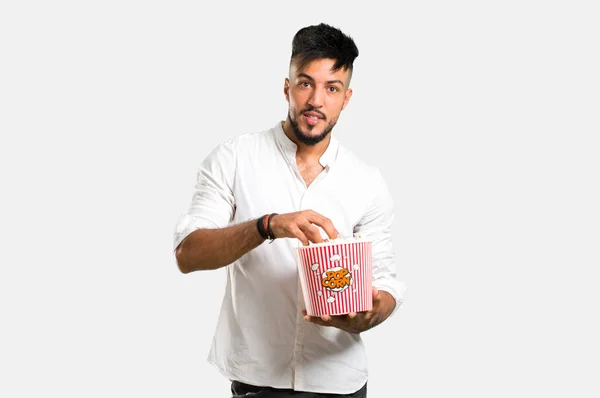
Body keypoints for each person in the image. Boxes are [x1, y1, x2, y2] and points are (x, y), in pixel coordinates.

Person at [173, 22, 407, 398]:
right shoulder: (234, 157)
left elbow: (385, 281)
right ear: (287, 87)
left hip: (340, 381)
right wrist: (268, 225)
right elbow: (188, 253)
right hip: (258, 380)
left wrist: (371, 312)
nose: (316, 100)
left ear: (346, 98)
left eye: (332, 88)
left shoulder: (367, 181)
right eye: (305, 83)